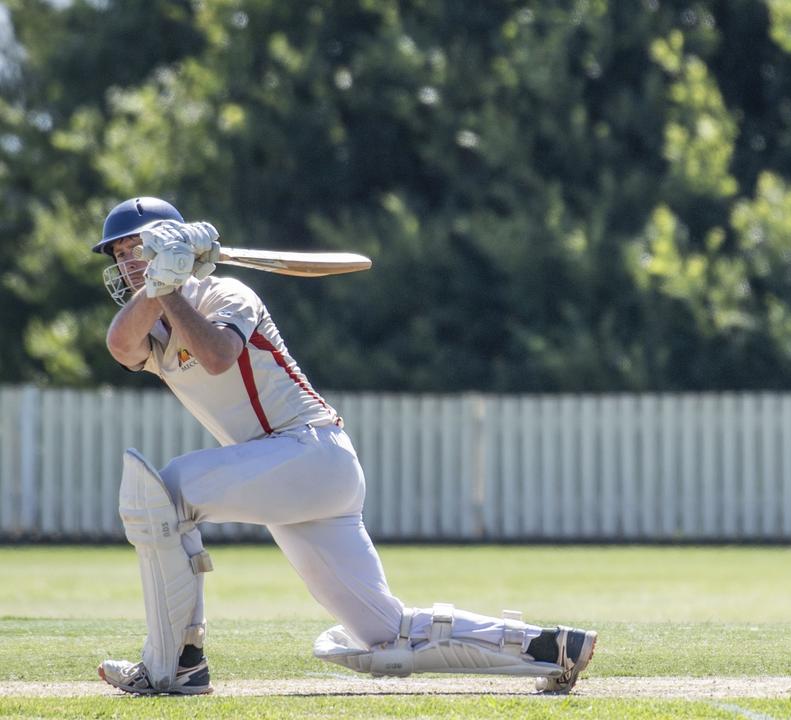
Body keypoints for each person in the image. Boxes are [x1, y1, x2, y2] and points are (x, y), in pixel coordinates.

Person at [92, 196, 596, 696]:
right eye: (121, 255)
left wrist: (173, 286)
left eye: (137, 248)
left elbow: (219, 357)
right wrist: (162, 283)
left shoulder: (228, 295)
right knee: (383, 633)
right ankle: (548, 647)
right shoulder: (151, 323)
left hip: (310, 453)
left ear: (172, 245)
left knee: (167, 492)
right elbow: (119, 345)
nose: (129, 263)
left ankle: (177, 663)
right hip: (286, 476)